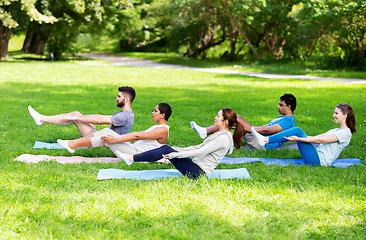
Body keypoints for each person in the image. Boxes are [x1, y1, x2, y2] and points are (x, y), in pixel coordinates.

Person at [115, 108, 244, 179]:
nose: (215, 118)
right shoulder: (220, 134)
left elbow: (200, 152)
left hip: (199, 173)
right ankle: (131, 158)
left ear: (225, 121)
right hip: (195, 166)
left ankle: (131, 158)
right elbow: (198, 146)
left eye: (218, 116)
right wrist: (178, 150)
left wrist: (175, 155)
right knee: (167, 148)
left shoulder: (223, 138)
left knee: (166, 149)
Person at [251, 103, 356, 166]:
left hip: (319, 161)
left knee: (297, 130)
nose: (333, 115)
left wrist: (299, 138)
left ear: (345, 116)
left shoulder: (345, 133)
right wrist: (299, 138)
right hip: (316, 156)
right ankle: (265, 140)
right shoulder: (336, 130)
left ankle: (265, 140)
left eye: (336, 113)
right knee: (297, 131)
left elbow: (320, 141)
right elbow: (315, 137)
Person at [57, 103, 172, 158]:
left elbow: (137, 136)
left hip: (136, 154)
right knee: (108, 132)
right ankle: (73, 144)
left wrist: (115, 139)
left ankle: (73, 145)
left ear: (162, 115)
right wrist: (116, 138)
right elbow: (138, 134)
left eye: (155, 111)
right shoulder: (158, 127)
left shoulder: (162, 130)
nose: (152, 112)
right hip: (134, 149)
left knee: (108, 135)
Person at [190, 93, 297, 151]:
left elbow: (267, 130)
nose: (278, 107)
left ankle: (206, 132)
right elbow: (263, 127)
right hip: (258, 138)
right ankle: (209, 135)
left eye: (281, 105)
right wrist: (249, 128)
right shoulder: (280, 119)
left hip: (263, 145)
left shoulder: (288, 121)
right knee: (232, 122)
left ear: (289, 107)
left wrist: (247, 128)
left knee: (236, 119)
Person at [28, 86, 136, 137]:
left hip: (102, 142)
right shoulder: (126, 114)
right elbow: (100, 116)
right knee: (77, 115)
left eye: (119, 96)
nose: (116, 98)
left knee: (75, 115)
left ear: (126, 99)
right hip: (101, 136)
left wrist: (78, 118)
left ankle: (41, 119)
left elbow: (99, 120)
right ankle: (41, 119)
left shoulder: (124, 116)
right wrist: (82, 117)